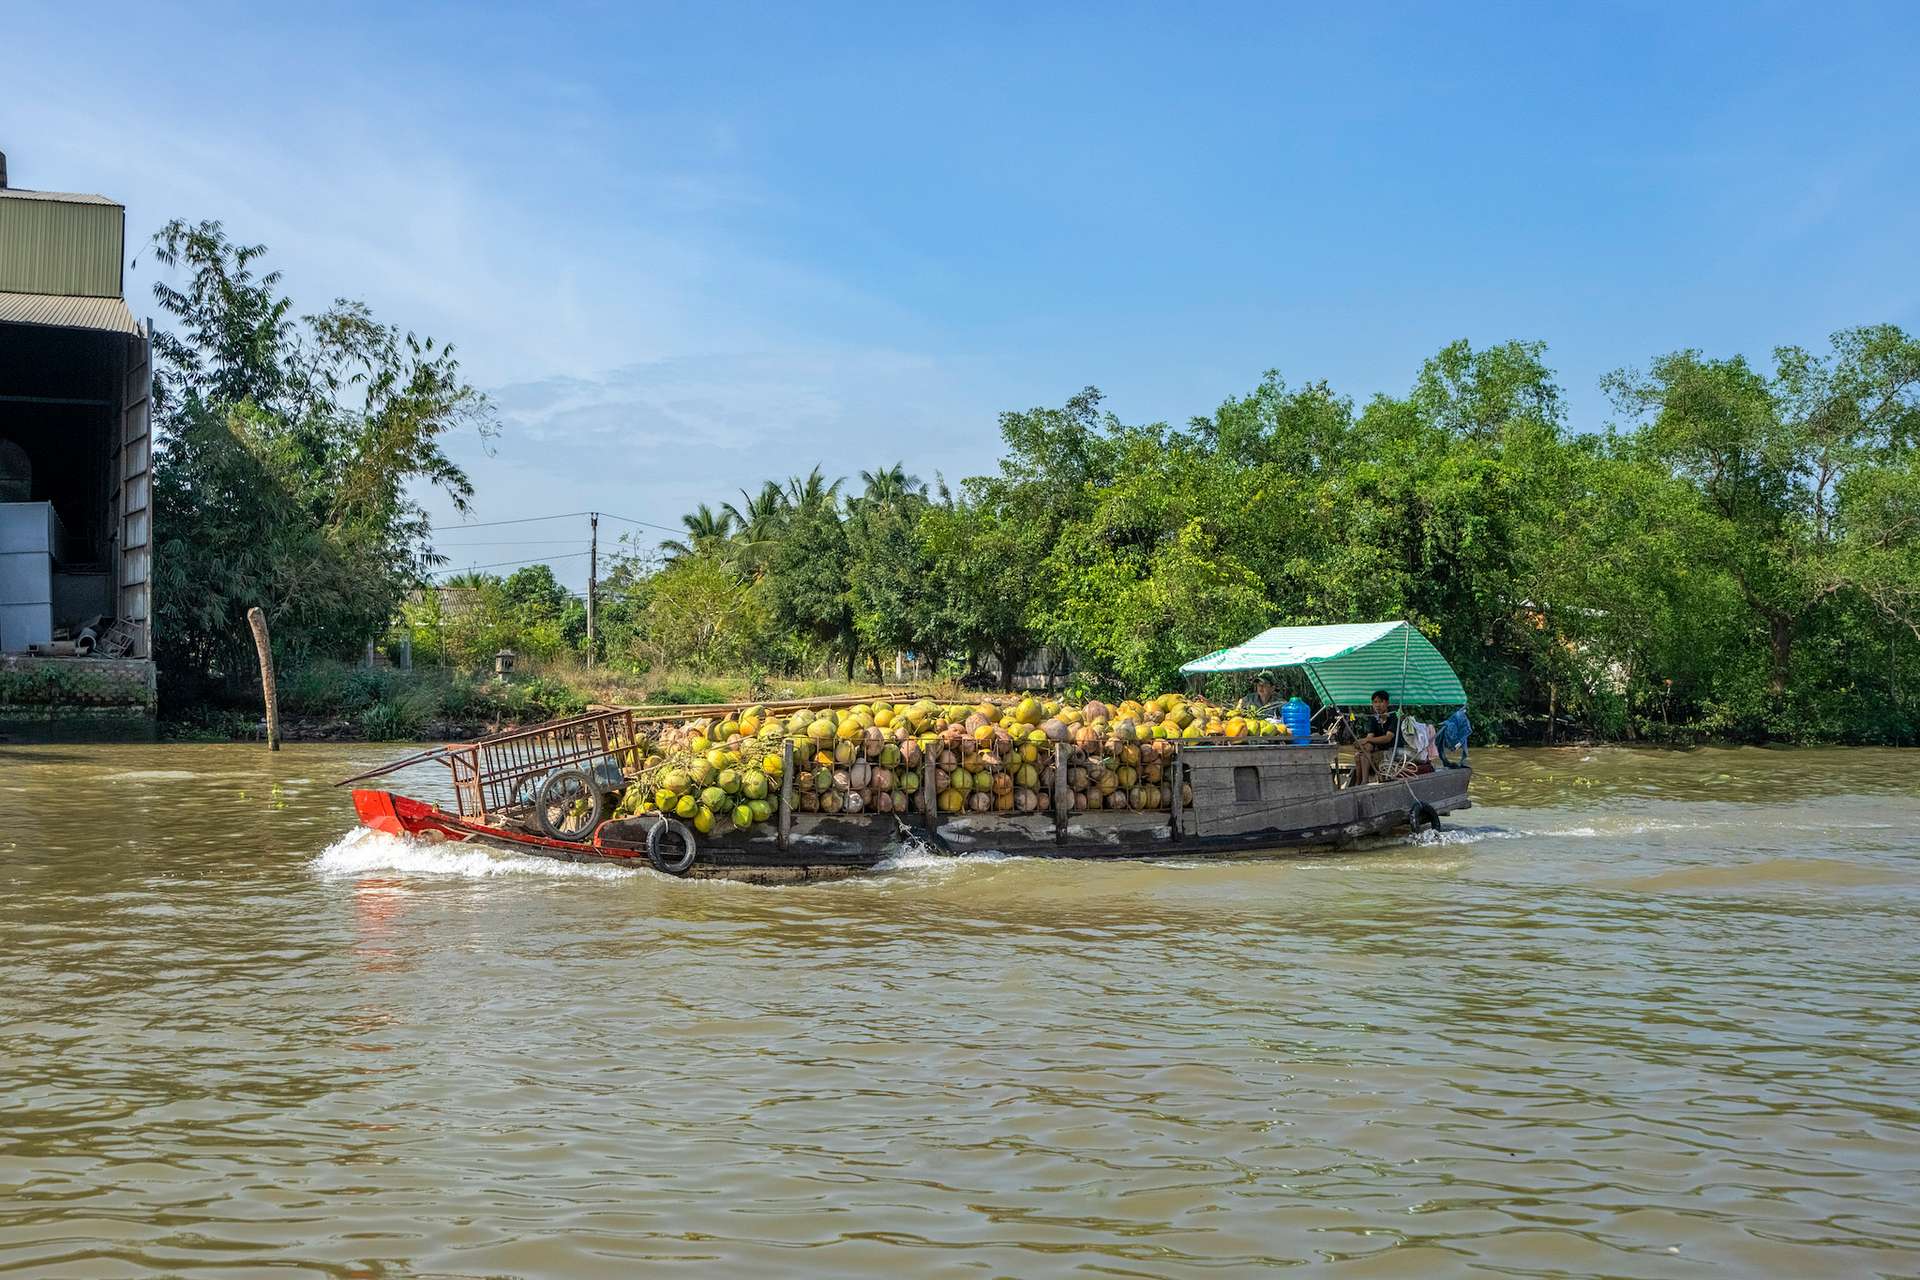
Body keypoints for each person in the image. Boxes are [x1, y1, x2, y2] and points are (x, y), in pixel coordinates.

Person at [1350, 689, 1398, 785]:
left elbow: (1387, 738)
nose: (1377, 705)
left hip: (1392, 750)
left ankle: (1362, 782)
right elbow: (1370, 737)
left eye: (1380, 702)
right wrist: (1362, 743)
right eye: (1375, 702)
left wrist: (1366, 740)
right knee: (1359, 754)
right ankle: (1360, 782)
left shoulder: (1394, 717)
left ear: (1387, 703)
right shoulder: (1374, 718)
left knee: (1363, 753)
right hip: (1378, 749)